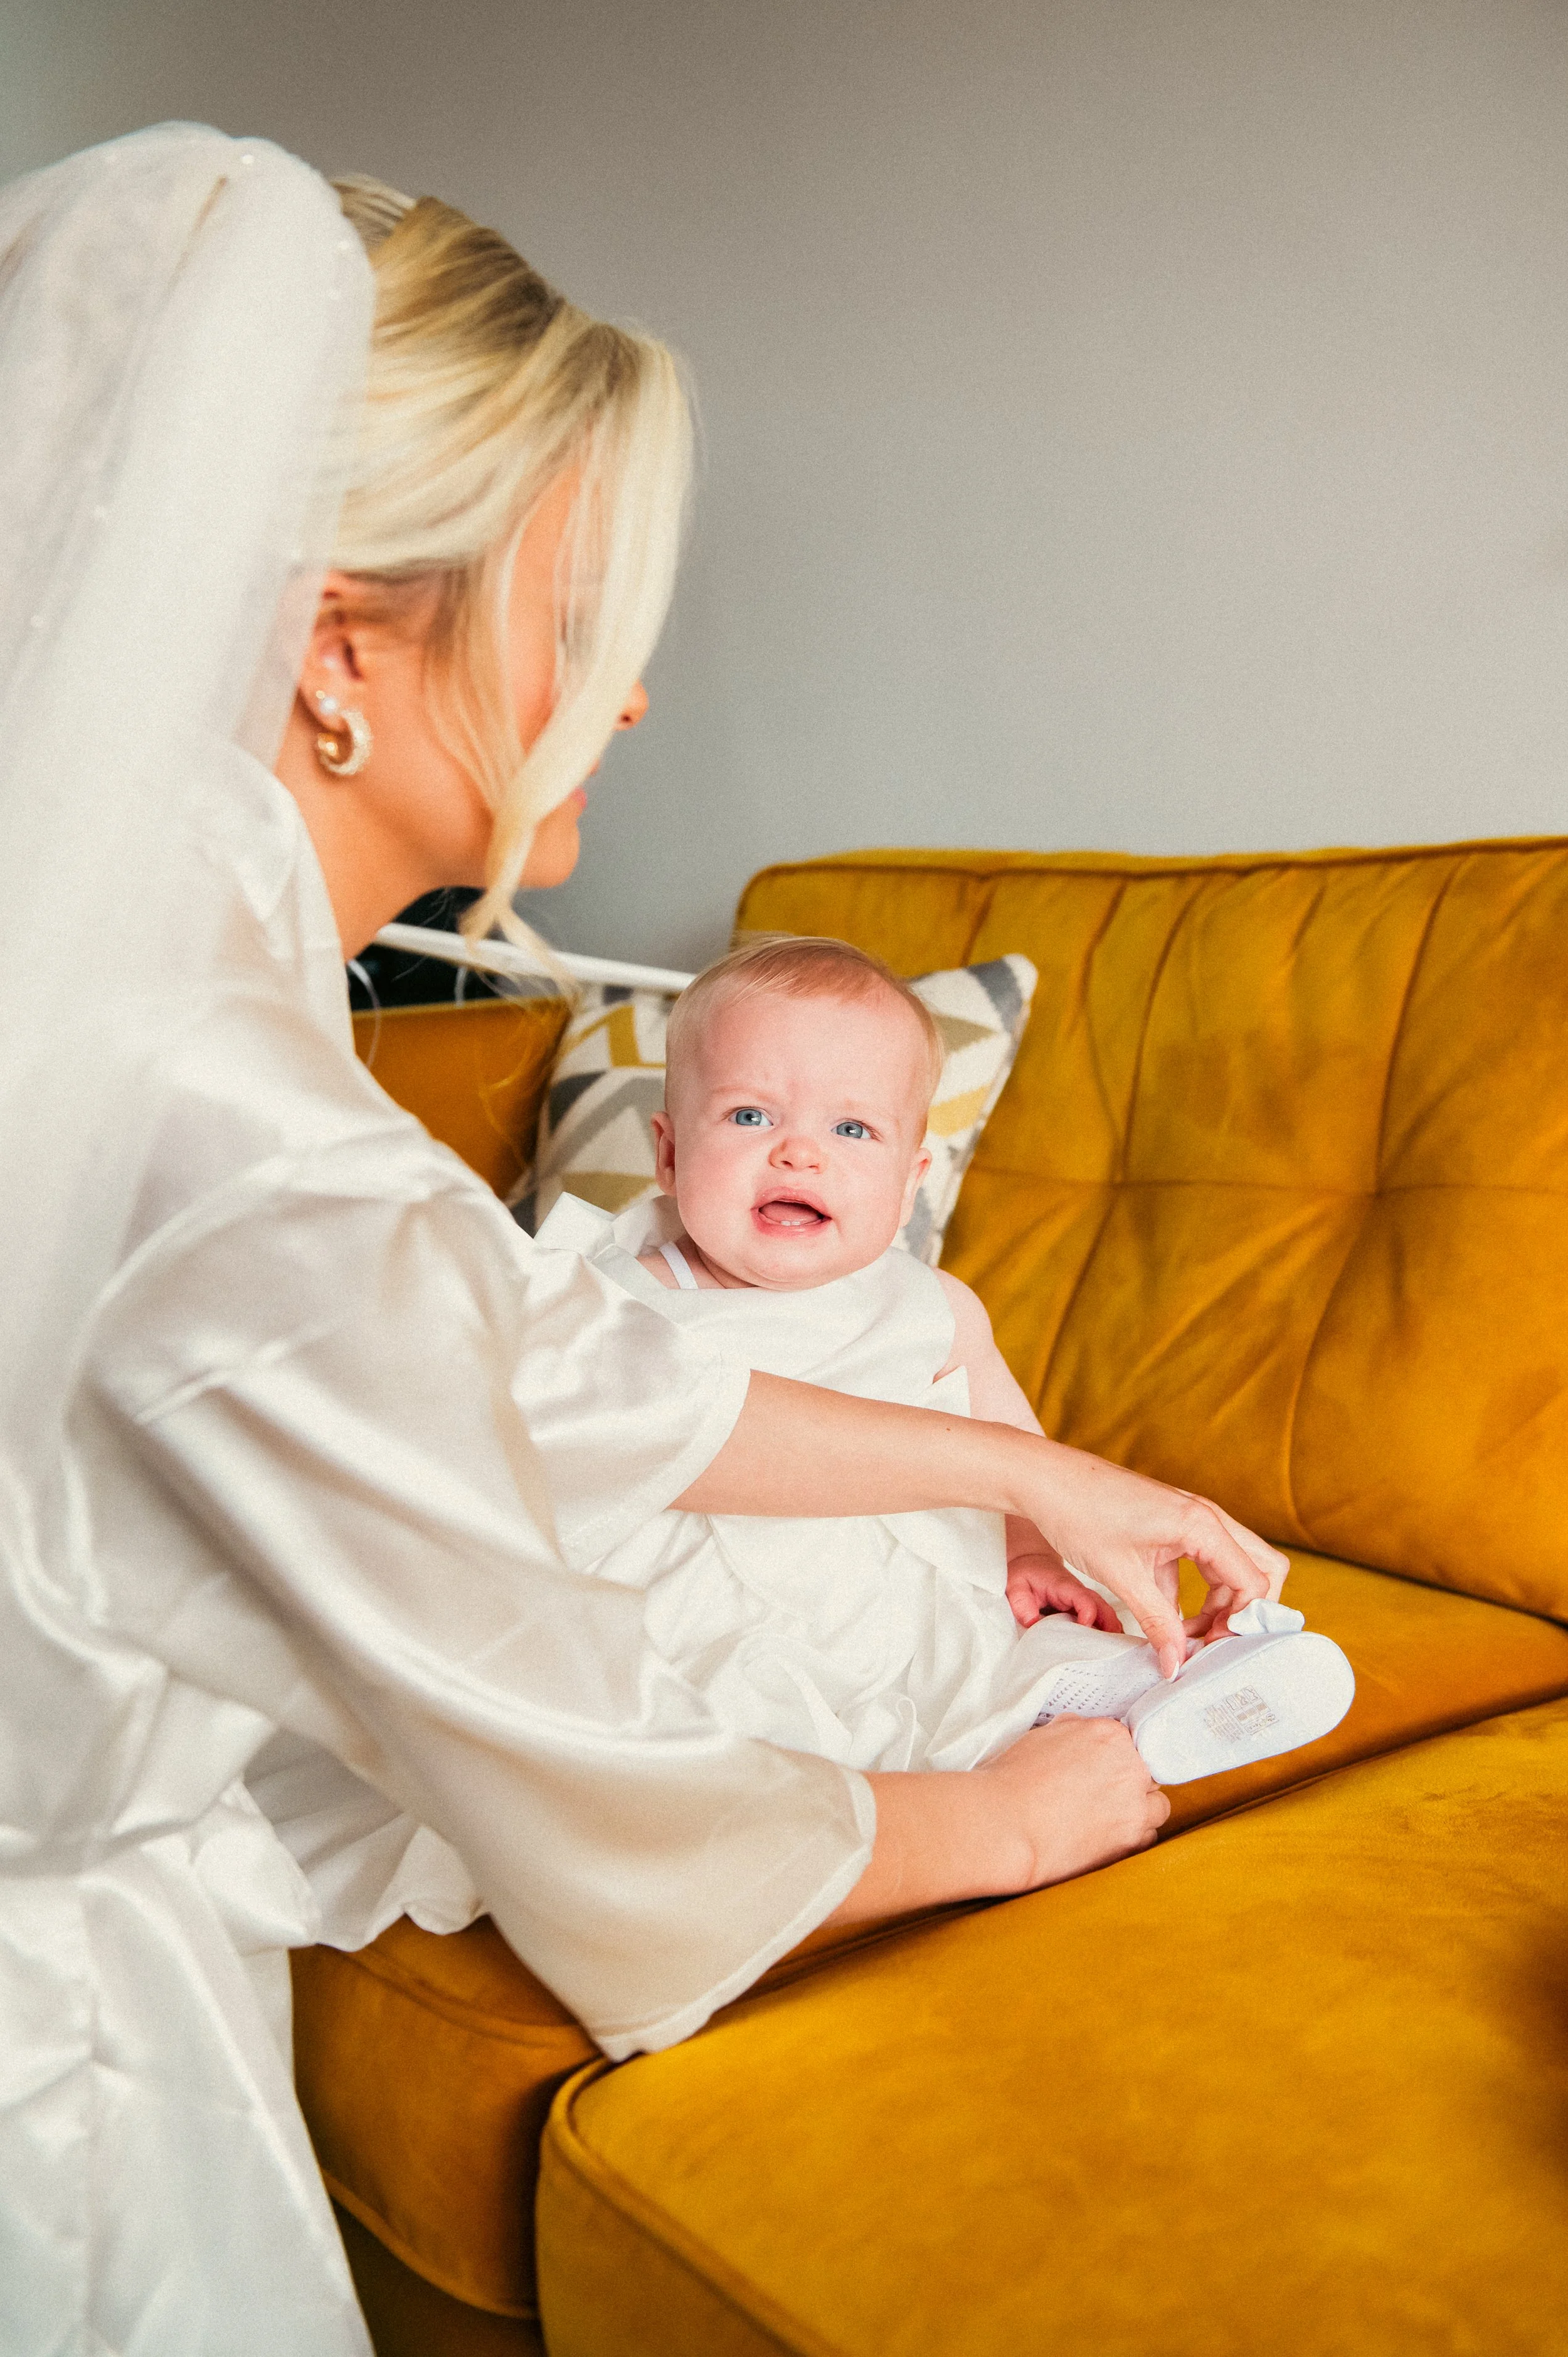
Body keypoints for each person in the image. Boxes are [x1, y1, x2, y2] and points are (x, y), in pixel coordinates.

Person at [0, 125, 1286, 2354]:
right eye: (585, 619)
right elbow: (599, 1770)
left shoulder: (152, 985)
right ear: (342, 656)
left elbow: (563, 1377)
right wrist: (999, 1815)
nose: (637, 690)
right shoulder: (237, 1117)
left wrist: (1034, 1468)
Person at [536, 935, 1354, 1782]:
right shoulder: (618, 1298)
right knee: (737, 1710)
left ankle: (1156, 1694)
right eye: (751, 1115)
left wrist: (1032, 1552)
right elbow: (617, 1437)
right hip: (704, 1611)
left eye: (852, 1127)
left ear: (909, 1182)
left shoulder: (927, 1306)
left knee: (1014, 1650)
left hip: (899, 1599)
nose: (799, 1151)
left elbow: (1020, 1448)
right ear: (668, 1155)